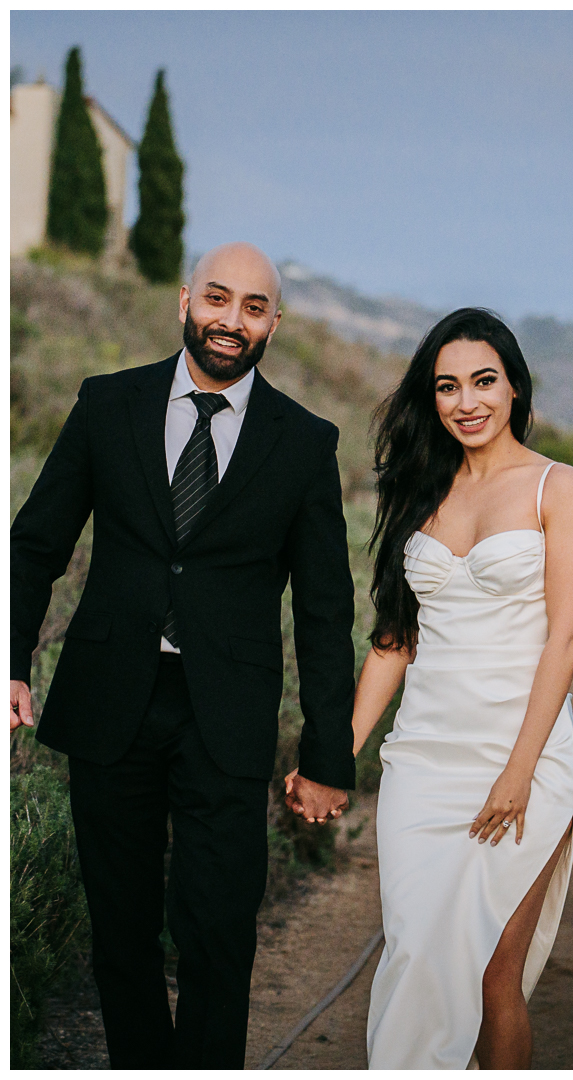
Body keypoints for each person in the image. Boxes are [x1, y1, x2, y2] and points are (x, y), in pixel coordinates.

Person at [10, 242, 355, 1070]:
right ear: (184, 301)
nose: (231, 321)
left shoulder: (304, 444)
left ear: (275, 322)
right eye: (218, 299)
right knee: (119, 929)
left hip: (225, 719)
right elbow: (35, 544)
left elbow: (324, 609)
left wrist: (327, 754)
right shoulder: (107, 404)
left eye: (253, 307)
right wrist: (9, 662)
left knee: (219, 930)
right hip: (110, 700)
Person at [351, 308, 573, 1069]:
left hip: (520, 759)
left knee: (494, 974)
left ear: (515, 387)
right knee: (415, 955)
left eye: (483, 381)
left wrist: (519, 772)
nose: (467, 401)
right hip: (421, 764)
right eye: (447, 386)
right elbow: (395, 641)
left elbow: (567, 635)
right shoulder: (421, 489)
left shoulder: (559, 486)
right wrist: (336, 753)